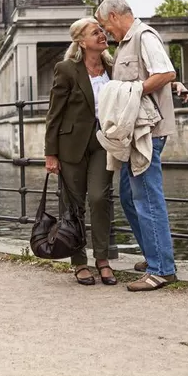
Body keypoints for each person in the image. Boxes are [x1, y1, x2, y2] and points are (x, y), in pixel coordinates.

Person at [94, 0, 179, 292]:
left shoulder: (143, 36)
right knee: (129, 196)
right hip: (136, 132)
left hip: (148, 132)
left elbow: (166, 72)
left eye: (106, 26)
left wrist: (134, 91)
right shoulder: (126, 43)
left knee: (146, 197)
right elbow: (160, 74)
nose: (107, 33)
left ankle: (161, 270)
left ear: (116, 16)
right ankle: (154, 255)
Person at [44, 17, 117, 286]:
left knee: (99, 198)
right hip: (71, 145)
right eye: (95, 32)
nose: (101, 35)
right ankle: (79, 262)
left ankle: (103, 259)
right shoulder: (66, 69)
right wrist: (50, 153)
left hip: (103, 143)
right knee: (72, 205)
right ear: (81, 41)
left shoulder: (112, 67)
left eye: (101, 31)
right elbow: (54, 114)